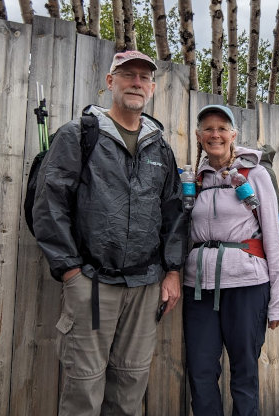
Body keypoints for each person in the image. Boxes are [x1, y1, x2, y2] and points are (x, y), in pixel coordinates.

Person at [32, 50, 188, 415]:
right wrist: (71, 271)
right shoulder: (79, 135)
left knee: (130, 385)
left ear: (151, 88)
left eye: (143, 78)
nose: (136, 82)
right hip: (91, 282)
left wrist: (173, 271)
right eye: (127, 75)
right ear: (109, 82)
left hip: (145, 286)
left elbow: (173, 212)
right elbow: (49, 204)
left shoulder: (159, 148)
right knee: (83, 386)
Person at [183, 104, 279, 415]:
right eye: (208, 128)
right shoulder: (195, 181)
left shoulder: (255, 175)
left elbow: (272, 237)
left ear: (233, 134)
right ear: (199, 136)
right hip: (198, 288)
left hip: (247, 285)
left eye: (222, 128)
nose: (215, 134)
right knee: (200, 372)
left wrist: (278, 299)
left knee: (244, 372)